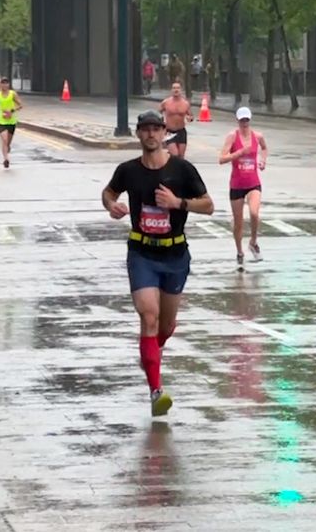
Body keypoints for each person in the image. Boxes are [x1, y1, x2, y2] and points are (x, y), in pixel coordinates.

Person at [101, 109, 214, 416]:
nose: (151, 134)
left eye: (156, 129)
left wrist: (178, 203)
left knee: (164, 326)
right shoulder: (128, 170)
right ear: (138, 134)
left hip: (175, 255)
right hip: (142, 254)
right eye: (145, 129)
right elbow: (108, 192)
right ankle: (156, 392)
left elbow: (209, 205)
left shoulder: (182, 170)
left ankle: (150, 351)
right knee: (148, 318)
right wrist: (112, 205)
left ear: (165, 133)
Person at [218, 106, 267, 269]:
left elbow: (265, 148)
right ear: (238, 121)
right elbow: (222, 158)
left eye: (247, 120)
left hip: (253, 182)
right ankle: (239, 251)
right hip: (237, 184)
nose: (244, 123)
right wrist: (238, 153)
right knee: (238, 223)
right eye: (242, 120)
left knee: (254, 212)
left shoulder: (257, 135)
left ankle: (253, 242)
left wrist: (262, 160)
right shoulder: (232, 137)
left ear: (250, 119)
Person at [160, 81, 194, 159]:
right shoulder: (166, 102)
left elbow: (191, 116)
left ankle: (175, 168)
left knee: (181, 156)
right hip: (169, 131)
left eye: (178, 88)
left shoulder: (185, 103)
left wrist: (190, 118)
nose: (176, 90)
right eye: (174, 88)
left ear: (181, 90)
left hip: (181, 131)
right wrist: (162, 124)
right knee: (175, 154)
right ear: (171, 90)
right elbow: (158, 113)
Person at [0, 78, 23, 169]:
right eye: (2, 83)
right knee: (5, 140)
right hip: (1, 121)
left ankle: (7, 148)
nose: (4, 85)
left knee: (8, 143)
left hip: (11, 121)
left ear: (8, 85)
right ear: (0, 85)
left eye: (6, 83)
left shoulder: (12, 94)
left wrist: (12, 111)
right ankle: (6, 159)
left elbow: (20, 105)